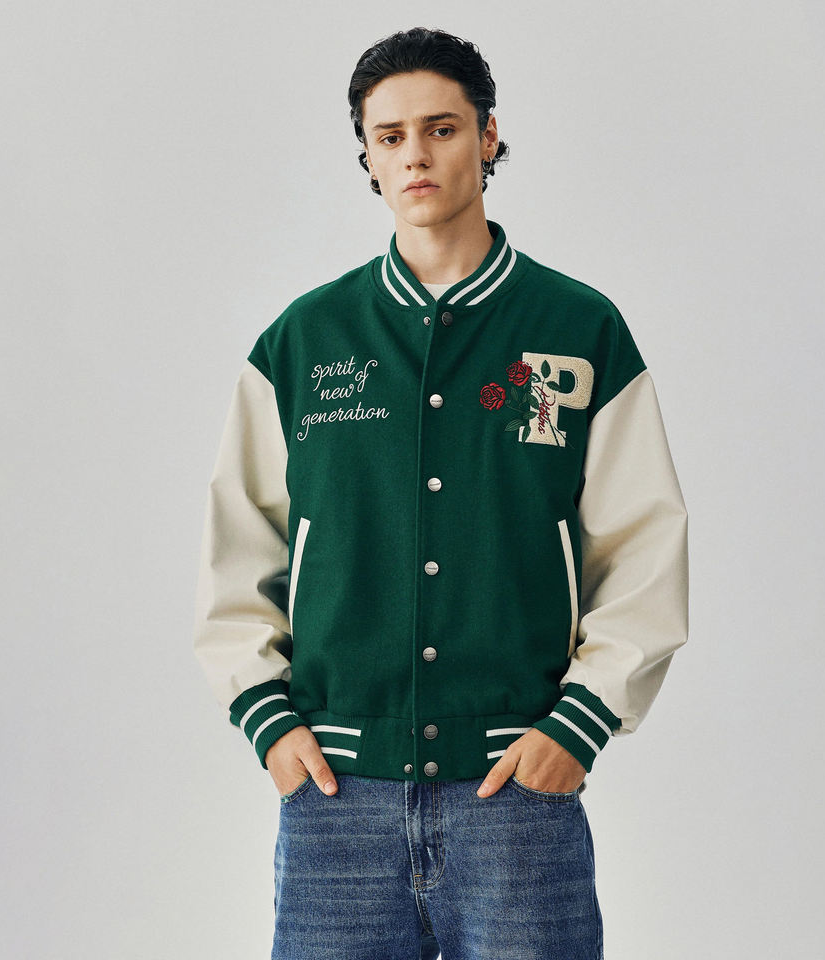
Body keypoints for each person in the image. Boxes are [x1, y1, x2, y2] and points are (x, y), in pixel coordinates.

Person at [192, 26, 689, 960]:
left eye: (442, 128)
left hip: (517, 796)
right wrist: (267, 719)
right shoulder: (304, 340)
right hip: (336, 800)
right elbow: (239, 549)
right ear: (369, 158)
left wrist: (579, 726)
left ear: (489, 136)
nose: (415, 154)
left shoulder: (577, 331)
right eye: (390, 137)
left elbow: (643, 546)